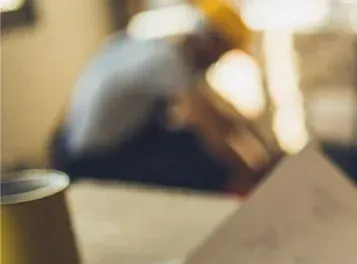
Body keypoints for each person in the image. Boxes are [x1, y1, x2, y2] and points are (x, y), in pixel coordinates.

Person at [50, 0, 253, 192]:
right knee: (202, 164)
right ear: (210, 40)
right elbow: (208, 123)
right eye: (221, 52)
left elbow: (213, 106)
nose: (217, 61)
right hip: (91, 161)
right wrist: (247, 170)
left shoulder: (153, 42)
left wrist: (246, 131)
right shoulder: (167, 61)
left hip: (68, 142)